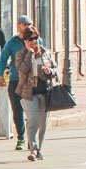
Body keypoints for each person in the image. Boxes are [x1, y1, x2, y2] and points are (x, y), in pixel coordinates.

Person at [15, 25, 56, 161]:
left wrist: (50, 71)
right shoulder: (21, 54)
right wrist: (30, 53)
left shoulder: (46, 53)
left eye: (36, 38)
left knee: (43, 124)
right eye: (30, 39)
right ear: (26, 41)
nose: (34, 41)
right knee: (33, 121)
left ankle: (40, 150)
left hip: (45, 92)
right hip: (28, 93)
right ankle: (33, 149)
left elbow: (55, 69)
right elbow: (23, 69)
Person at [0, 15, 36, 151]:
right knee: (17, 110)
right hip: (15, 80)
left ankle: (32, 139)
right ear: (19, 25)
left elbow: (43, 56)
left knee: (32, 111)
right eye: (25, 24)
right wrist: (0, 75)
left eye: (30, 24)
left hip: (31, 81)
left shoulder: (36, 39)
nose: (28, 27)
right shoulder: (12, 42)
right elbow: (3, 58)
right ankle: (21, 138)